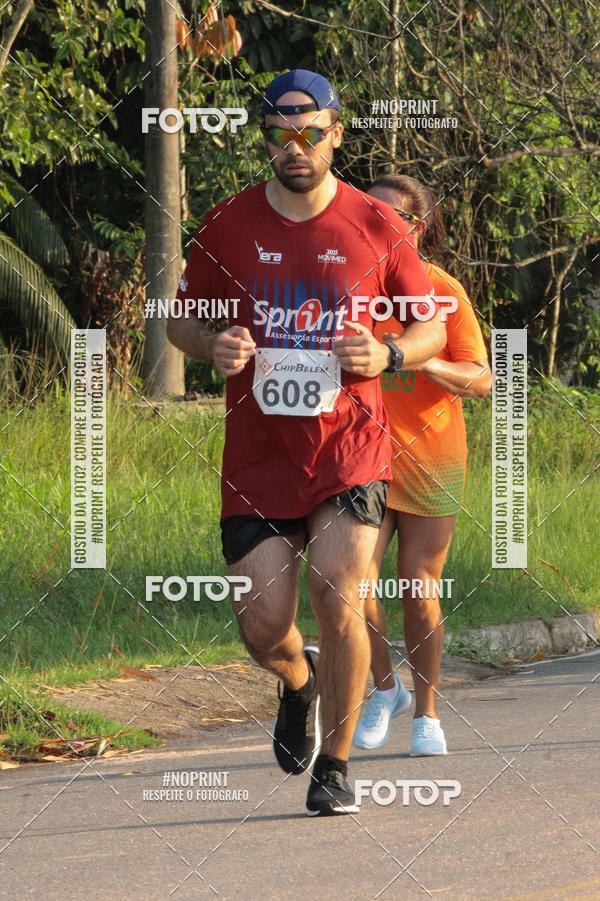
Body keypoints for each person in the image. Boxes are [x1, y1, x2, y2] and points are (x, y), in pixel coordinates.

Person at [167, 71, 446, 816]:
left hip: (349, 449)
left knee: (339, 591)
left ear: (336, 131)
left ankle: (337, 763)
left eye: (310, 130)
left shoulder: (377, 226)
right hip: (258, 459)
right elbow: (179, 320)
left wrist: (388, 356)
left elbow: (432, 328)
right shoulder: (228, 224)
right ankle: (297, 681)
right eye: (279, 133)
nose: (296, 146)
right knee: (262, 626)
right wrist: (212, 343)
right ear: (265, 137)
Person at [353, 174, 491, 756]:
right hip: (361, 454)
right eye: (369, 214)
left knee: (418, 586)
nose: (378, 225)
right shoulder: (350, 285)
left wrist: (417, 357)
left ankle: (427, 715)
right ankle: (385, 689)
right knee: (350, 583)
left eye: (392, 218)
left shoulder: (441, 291)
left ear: (418, 227)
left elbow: (482, 378)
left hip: (432, 457)